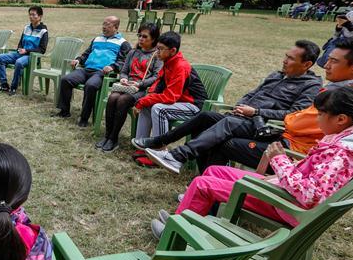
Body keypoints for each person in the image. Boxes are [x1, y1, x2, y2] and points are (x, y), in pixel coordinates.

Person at [149, 86, 353, 238]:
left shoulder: (341, 153)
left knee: (203, 183)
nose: (317, 119)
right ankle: (193, 221)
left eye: (320, 115)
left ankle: (175, 235)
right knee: (215, 170)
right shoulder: (350, 139)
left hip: (287, 205)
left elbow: (310, 196)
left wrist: (280, 162)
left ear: (341, 119)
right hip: (284, 190)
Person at [138, 40, 323, 174]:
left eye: (291, 59)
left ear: (306, 64)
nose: (284, 60)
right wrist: (241, 105)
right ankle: (163, 145)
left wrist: (256, 111)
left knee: (226, 124)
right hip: (243, 117)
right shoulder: (277, 75)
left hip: (264, 125)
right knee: (205, 118)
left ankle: (178, 156)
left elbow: (294, 115)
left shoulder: (310, 85)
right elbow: (253, 93)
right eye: (286, 56)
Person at [213, 38, 353, 169]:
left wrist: (289, 117)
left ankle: (212, 194)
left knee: (225, 142)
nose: (327, 66)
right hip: (293, 143)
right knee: (219, 128)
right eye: (328, 60)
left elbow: (296, 124)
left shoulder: (346, 97)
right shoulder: (349, 91)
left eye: (334, 61)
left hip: (297, 153)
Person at [131, 32, 207, 157]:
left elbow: (170, 97)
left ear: (172, 50)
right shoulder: (168, 61)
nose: (157, 52)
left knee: (159, 109)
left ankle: (158, 153)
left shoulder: (180, 66)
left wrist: (145, 100)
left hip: (195, 106)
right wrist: (146, 99)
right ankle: (142, 146)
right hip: (179, 103)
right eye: (157, 48)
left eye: (160, 49)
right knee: (147, 105)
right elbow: (158, 84)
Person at [52, 16, 129, 127]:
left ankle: (84, 118)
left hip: (102, 73)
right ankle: (64, 111)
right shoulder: (97, 39)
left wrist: (112, 66)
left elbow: (123, 62)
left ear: (116, 27)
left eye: (107, 25)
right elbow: (86, 54)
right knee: (66, 79)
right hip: (86, 70)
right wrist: (78, 60)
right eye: (103, 24)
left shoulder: (123, 43)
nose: (104, 27)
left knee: (91, 86)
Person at [96, 23, 162, 153]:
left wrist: (140, 84)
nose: (141, 39)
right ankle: (108, 136)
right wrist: (123, 78)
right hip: (126, 86)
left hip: (142, 90)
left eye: (145, 36)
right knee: (112, 97)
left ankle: (114, 139)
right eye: (139, 36)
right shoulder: (133, 52)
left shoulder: (157, 56)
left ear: (153, 39)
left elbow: (156, 77)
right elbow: (124, 70)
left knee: (122, 100)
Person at [0, 6, 48, 96]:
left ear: (40, 16)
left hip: (32, 57)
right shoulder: (26, 28)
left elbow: (42, 50)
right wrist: (20, 48)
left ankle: (13, 87)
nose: (31, 17)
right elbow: (20, 42)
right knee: (0, 58)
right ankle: (4, 85)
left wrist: (26, 51)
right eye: (30, 14)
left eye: (33, 15)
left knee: (19, 62)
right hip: (21, 53)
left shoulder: (43, 31)